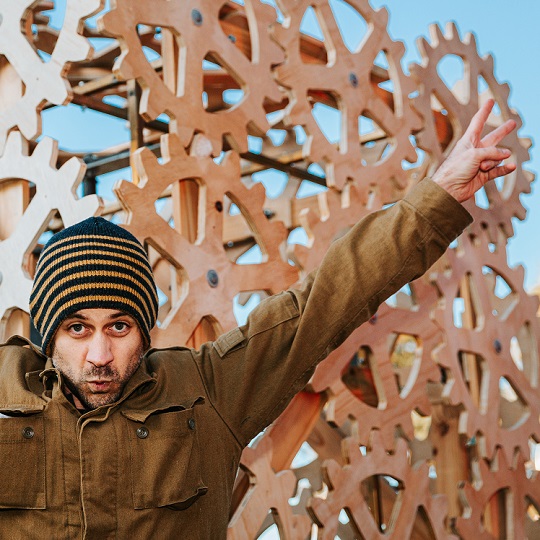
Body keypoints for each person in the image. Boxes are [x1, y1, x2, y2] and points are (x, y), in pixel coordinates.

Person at [0, 100, 516, 539]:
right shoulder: (5, 391)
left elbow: (331, 295)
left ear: (144, 327)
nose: (99, 355)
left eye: (119, 326)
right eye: (77, 329)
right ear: (47, 335)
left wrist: (436, 199)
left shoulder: (210, 391)